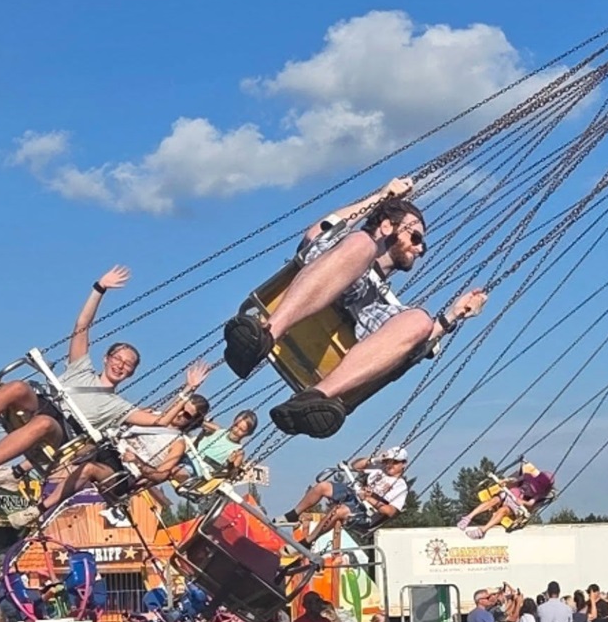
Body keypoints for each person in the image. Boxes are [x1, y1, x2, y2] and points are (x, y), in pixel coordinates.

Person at [223, 178, 488, 438]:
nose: (420, 249)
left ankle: (315, 399)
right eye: (416, 237)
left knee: (419, 320)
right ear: (387, 227)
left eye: (423, 245)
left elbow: (416, 344)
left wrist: (454, 315)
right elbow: (315, 234)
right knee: (361, 245)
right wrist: (381, 198)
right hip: (333, 268)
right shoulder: (350, 242)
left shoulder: (378, 301)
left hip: (365, 306)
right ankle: (265, 335)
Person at [0, 266, 208, 493]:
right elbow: (82, 325)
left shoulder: (119, 406)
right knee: (17, 387)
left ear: (130, 374)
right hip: (47, 403)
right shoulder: (81, 367)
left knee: (43, 424)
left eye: (127, 365)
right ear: (107, 358)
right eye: (118, 359)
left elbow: (159, 422)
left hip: (62, 431)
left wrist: (187, 391)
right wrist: (99, 288)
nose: (121, 366)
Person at [7, 392, 209, 528]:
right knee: (77, 442)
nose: (180, 415)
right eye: (181, 408)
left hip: (125, 473)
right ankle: (17, 471)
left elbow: (161, 475)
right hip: (110, 448)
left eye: (187, 416)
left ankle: (37, 510)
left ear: (193, 422)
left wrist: (137, 461)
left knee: (88, 469)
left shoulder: (178, 442)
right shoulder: (152, 415)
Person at [274, 447, 410, 547]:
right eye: (388, 462)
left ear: (403, 464)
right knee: (323, 486)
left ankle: (307, 541)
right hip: (355, 495)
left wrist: (369, 498)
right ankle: (294, 514)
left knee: (340, 511)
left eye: (395, 462)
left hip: (367, 513)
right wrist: (377, 459)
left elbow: (390, 511)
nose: (389, 465)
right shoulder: (380, 468)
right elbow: (355, 465)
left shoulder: (400, 486)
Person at [458, 464, 554, 540]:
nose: (531, 489)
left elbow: (531, 503)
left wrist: (523, 502)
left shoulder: (539, 494)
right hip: (508, 494)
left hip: (515, 505)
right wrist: (504, 481)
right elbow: (513, 480)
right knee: (494, 500)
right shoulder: (527, 477)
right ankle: (468, 517)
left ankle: (482, 531)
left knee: (503, 511)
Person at [172, 410, 257, 482]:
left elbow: (233, 473)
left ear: (248, 434)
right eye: (235, 425)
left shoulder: (238, 451)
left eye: (241, 430)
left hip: (200, 468)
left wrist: (230, 463)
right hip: (188, 455)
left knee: (177, 471)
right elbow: (200, 422)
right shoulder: (219, 430)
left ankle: (179, 474)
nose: (236, 430)